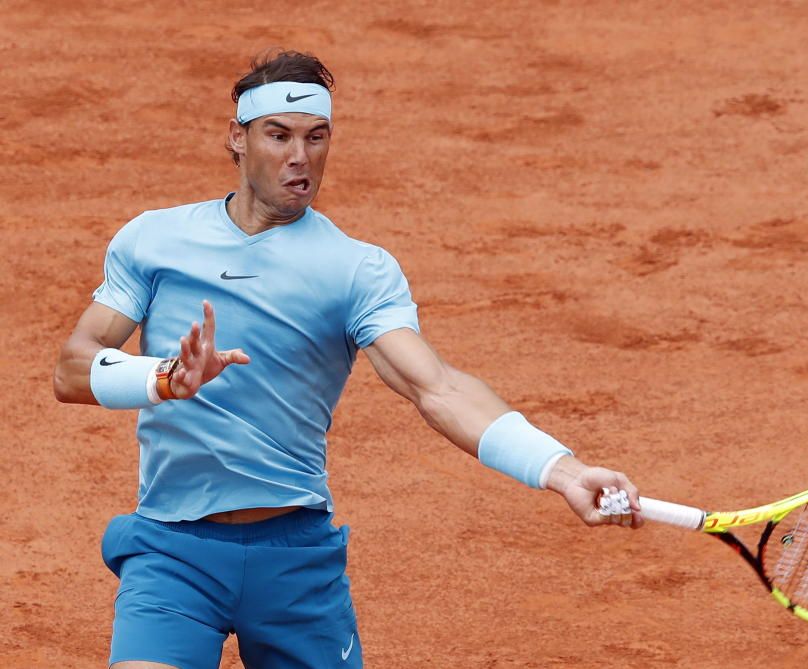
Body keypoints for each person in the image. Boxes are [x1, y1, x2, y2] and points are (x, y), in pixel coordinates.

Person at [53, 50, 643, 669]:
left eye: (316, 137)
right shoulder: (154, 240)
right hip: (174, 549)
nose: (299, 157)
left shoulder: (356, 270)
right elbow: (73, 368)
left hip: (296, 560)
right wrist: (164, 381)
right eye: (278, 136)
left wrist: (562, 470)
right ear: (237, 138)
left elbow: (435, 388)